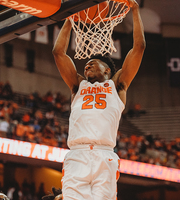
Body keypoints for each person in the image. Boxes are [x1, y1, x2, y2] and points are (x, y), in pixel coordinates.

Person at [52, 0, 145, 199]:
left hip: (104, 154)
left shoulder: (117, 85)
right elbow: (58, 52)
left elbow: (139, 47)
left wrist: (135, 10)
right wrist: (70, 19)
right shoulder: (78, 86)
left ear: (107, 70)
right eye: (85, 65)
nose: (87, 66)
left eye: (92, 63)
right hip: (77, 154)